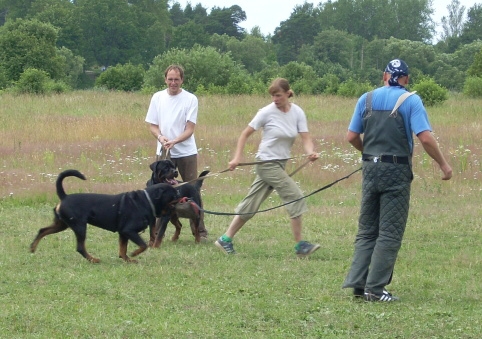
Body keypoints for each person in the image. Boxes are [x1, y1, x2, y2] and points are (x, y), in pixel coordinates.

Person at [342, 59, 452, 302]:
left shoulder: (366, 99)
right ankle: (376, 290)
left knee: (367, 230)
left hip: (370, 170)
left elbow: (351, 136)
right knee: (389, 232)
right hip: (396, 171)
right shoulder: (411, 100)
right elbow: (425, 138)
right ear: (406, 79)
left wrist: (367, 154)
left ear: (384, 76)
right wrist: (443, 165)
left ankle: (359, 285)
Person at [214, 78, 320, 257]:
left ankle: (225, 239)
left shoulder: (298, 112)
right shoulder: (266, 112)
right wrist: (237, 158)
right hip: (266, 164)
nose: (275, 99)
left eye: (278, 95)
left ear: (287, 94)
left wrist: (311, 152)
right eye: (272, 96)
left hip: (280, 163)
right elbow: (244, 134)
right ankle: (300, 245)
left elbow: (306, 138)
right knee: (294, 196)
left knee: (251, 203)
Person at [145, 64, 208, 238]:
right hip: (164, 152)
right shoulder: (157, 97)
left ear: (182, 80)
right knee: (159, 192)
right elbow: (152, 125)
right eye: (170, 79)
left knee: (193, 191)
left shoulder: (190, 99)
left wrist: (175, 140)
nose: (173, 83)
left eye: (176, 79)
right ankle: (157, 231)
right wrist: (161, 138)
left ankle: (200, 231)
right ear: (165, 79)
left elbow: (190, 128)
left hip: (186, 151)